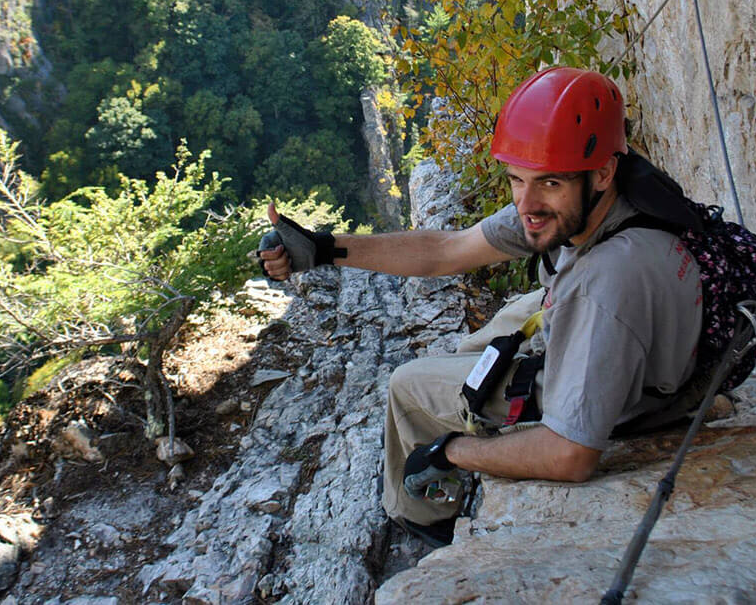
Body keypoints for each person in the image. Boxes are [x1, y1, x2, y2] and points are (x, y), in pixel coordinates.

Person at [258, 67, 704, 546]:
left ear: (602, 171)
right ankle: (468, 410)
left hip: (628, 382)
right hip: (642, 334)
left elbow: (571, 455)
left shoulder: (603, 285)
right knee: (474, 345)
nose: (526, 204)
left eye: (548, 183)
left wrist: (452, 452)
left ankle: (425, 514)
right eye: (517, 178)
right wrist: (324, 248)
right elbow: (445, 252)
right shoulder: (612, 198)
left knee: (409, 387)